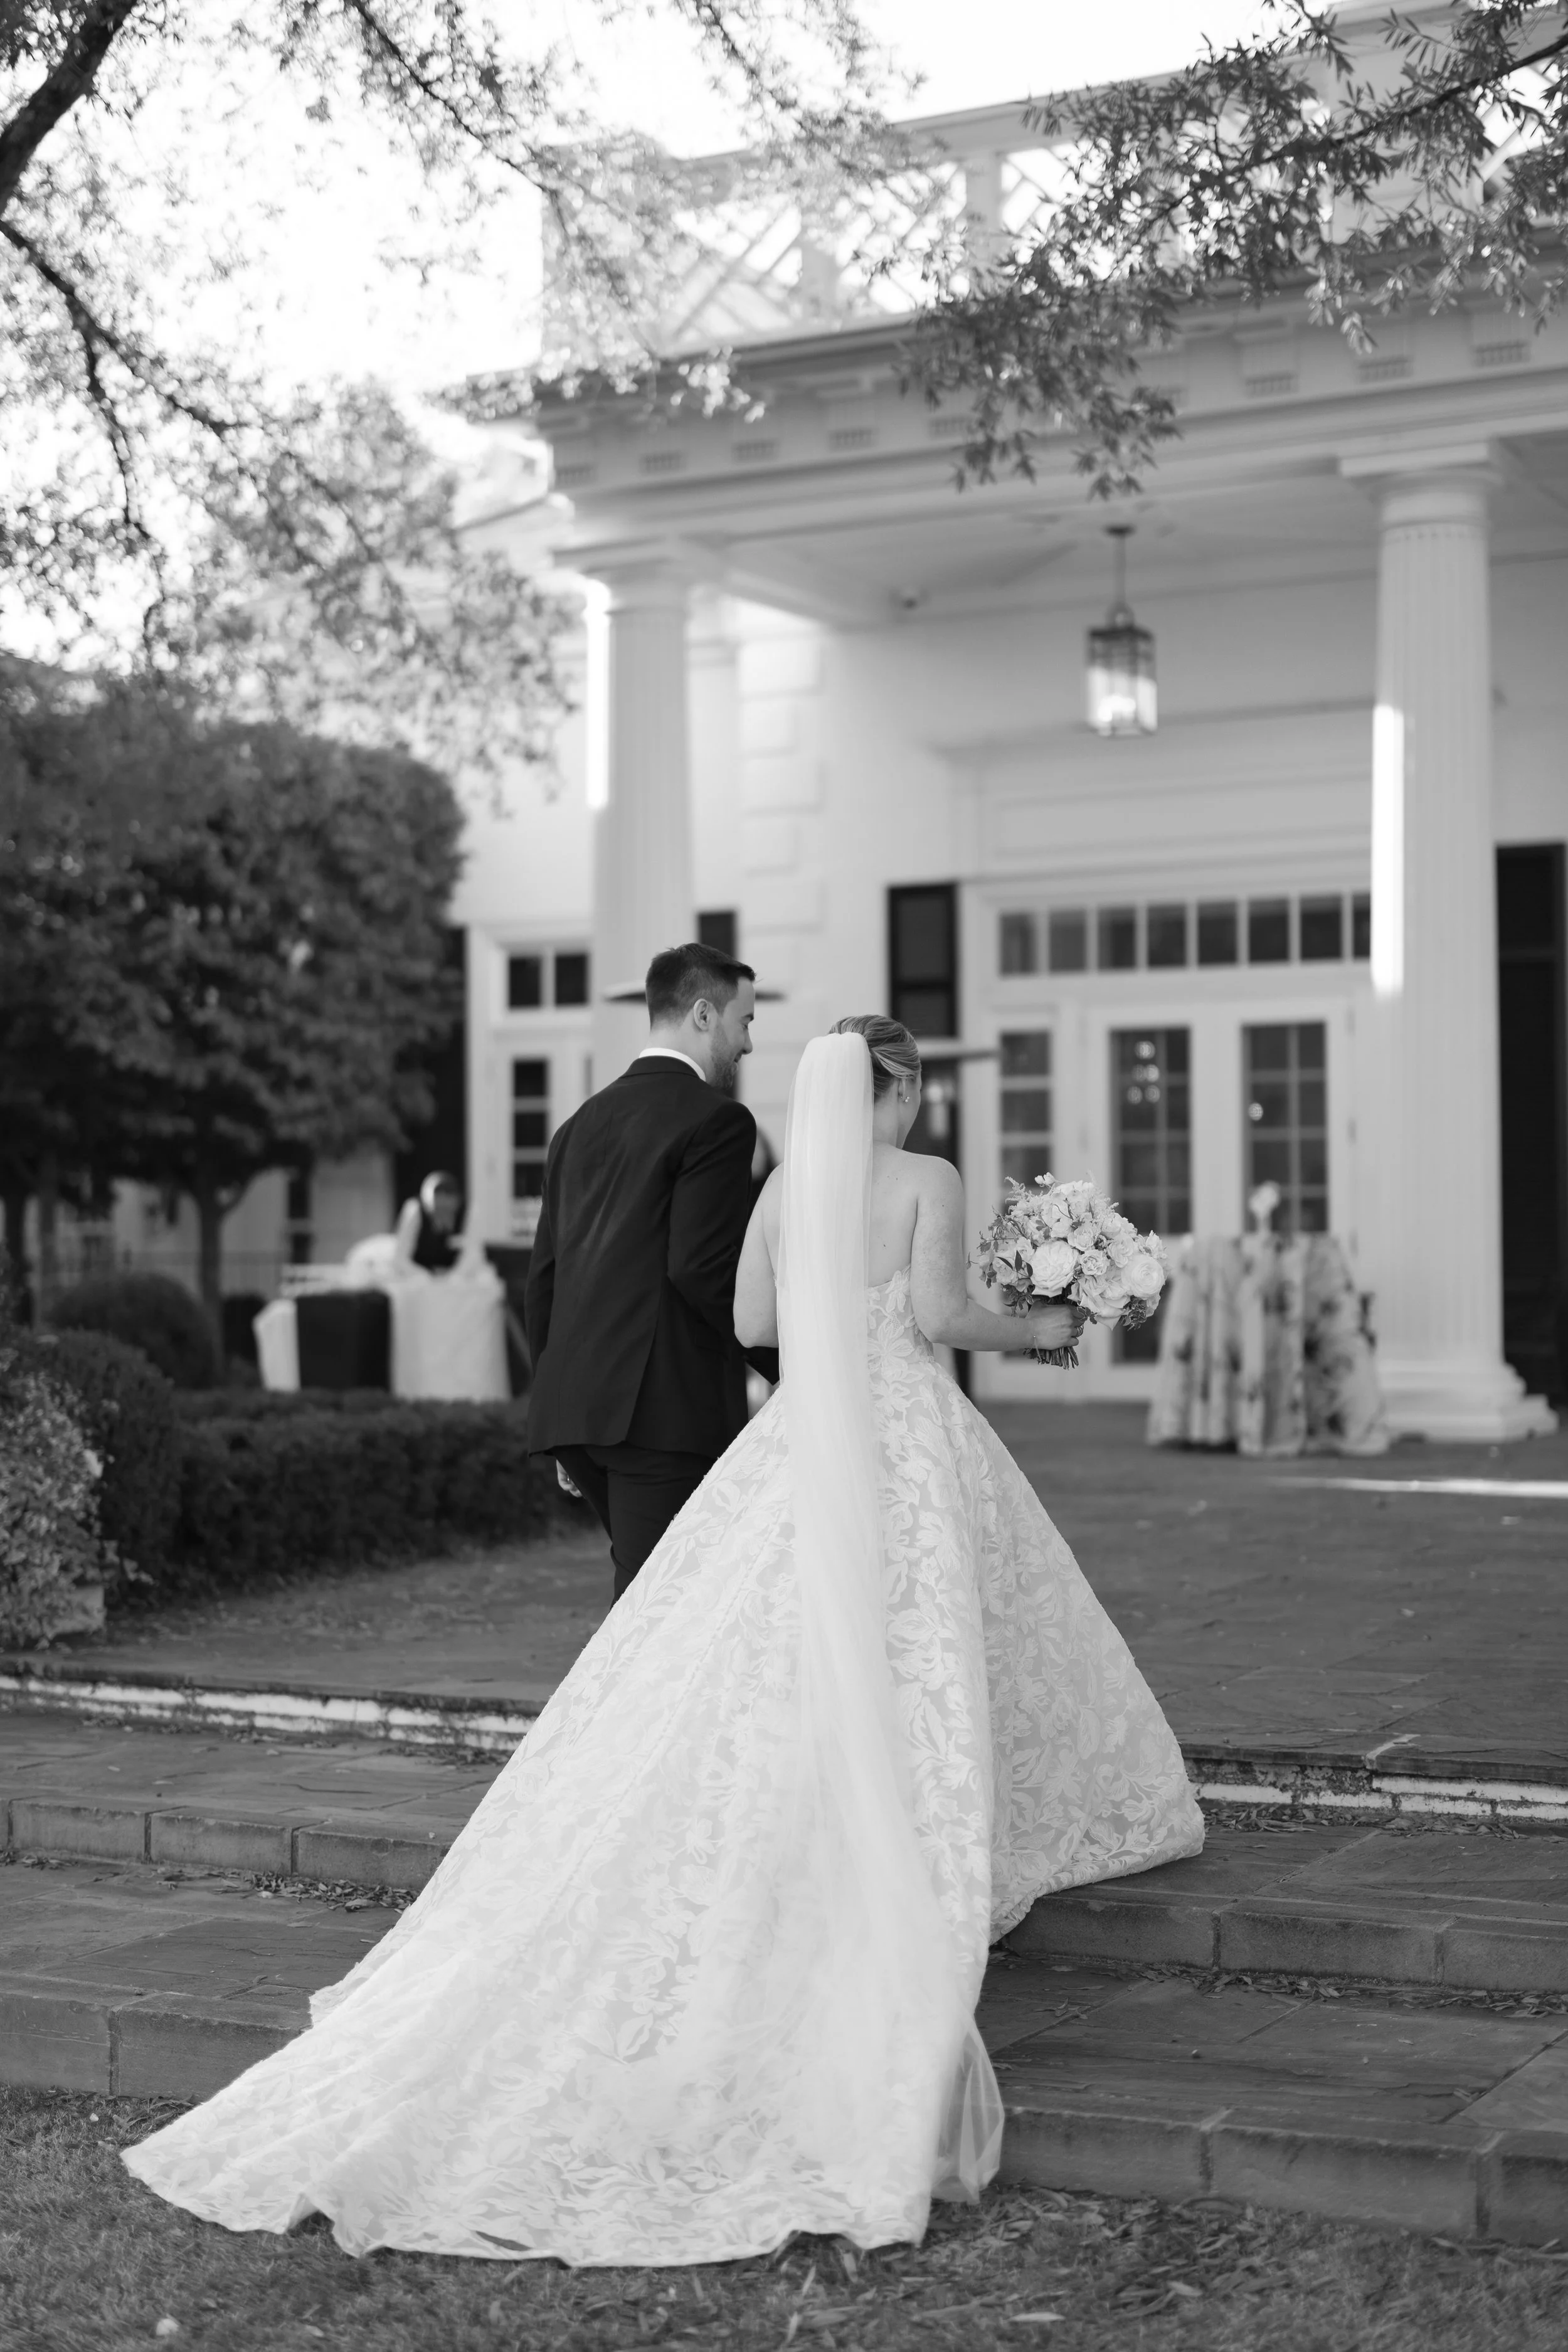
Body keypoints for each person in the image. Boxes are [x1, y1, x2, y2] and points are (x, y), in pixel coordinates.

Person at [122, 1016, 1204, 2265]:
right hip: (902, 1431)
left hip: (798, 1437)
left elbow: (746, 1308)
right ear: (895, 1087)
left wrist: (823, 1354)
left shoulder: (789, 1186)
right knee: (920, 1641)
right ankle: (919, 1822)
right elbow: (947, 1312)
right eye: (907, 1091)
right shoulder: (928, 1178)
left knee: (757, 1651)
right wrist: (1057, 1321)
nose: (907, 1110)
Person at [524, 940, 774, 1599]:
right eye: (743, 1022)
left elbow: (545, 1279)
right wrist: (786, 1365)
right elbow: (702, 1270)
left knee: (663, 1603)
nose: (747, 1044)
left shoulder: (576, 1126)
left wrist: (560, 1415)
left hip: (579, 1413)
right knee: (657, 1613)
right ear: (702, 1014)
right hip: (661, 1413)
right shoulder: (718, 1123)